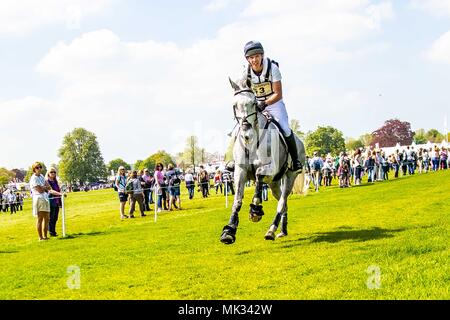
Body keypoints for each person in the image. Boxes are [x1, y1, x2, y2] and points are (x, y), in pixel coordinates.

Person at [241, 40, 302, 173]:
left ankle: (295, 160)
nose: (254, 60)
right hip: (256, 105)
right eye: (251, 57)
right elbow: (245, 91)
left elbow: (278, 94)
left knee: (285, 128)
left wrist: (265, 103)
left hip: (274, 103)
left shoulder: (272, 68)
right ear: (247, 59)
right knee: (243, 126)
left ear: (262, 55)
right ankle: (238, 160)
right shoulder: (245, 72)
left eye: (257, 56)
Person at [29, 162, 52, 241]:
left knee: (47, 219)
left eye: (40, 167)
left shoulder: (42, 176)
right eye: (37, 168)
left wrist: (44, 187)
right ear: (34, 169)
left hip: (45, 198)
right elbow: (39, 190)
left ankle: (45, 236)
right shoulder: (33, 178)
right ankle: (40, 237)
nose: (39, 169)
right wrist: (44, 187)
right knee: (40, 219)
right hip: (39, 199)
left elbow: (49, 187)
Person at [45, 167, 65, 236]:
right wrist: (60, 194)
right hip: (50, 201)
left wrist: (61, 195)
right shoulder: (47, 181)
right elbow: (50, 191)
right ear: (48, 173)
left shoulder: (56, 181)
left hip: (56, 201)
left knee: (55, 218)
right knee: (51, 217)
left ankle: (53, 231)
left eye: (54, 172)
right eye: (51, 172)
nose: (53, 173)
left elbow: (59, 190)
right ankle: (51, 232)